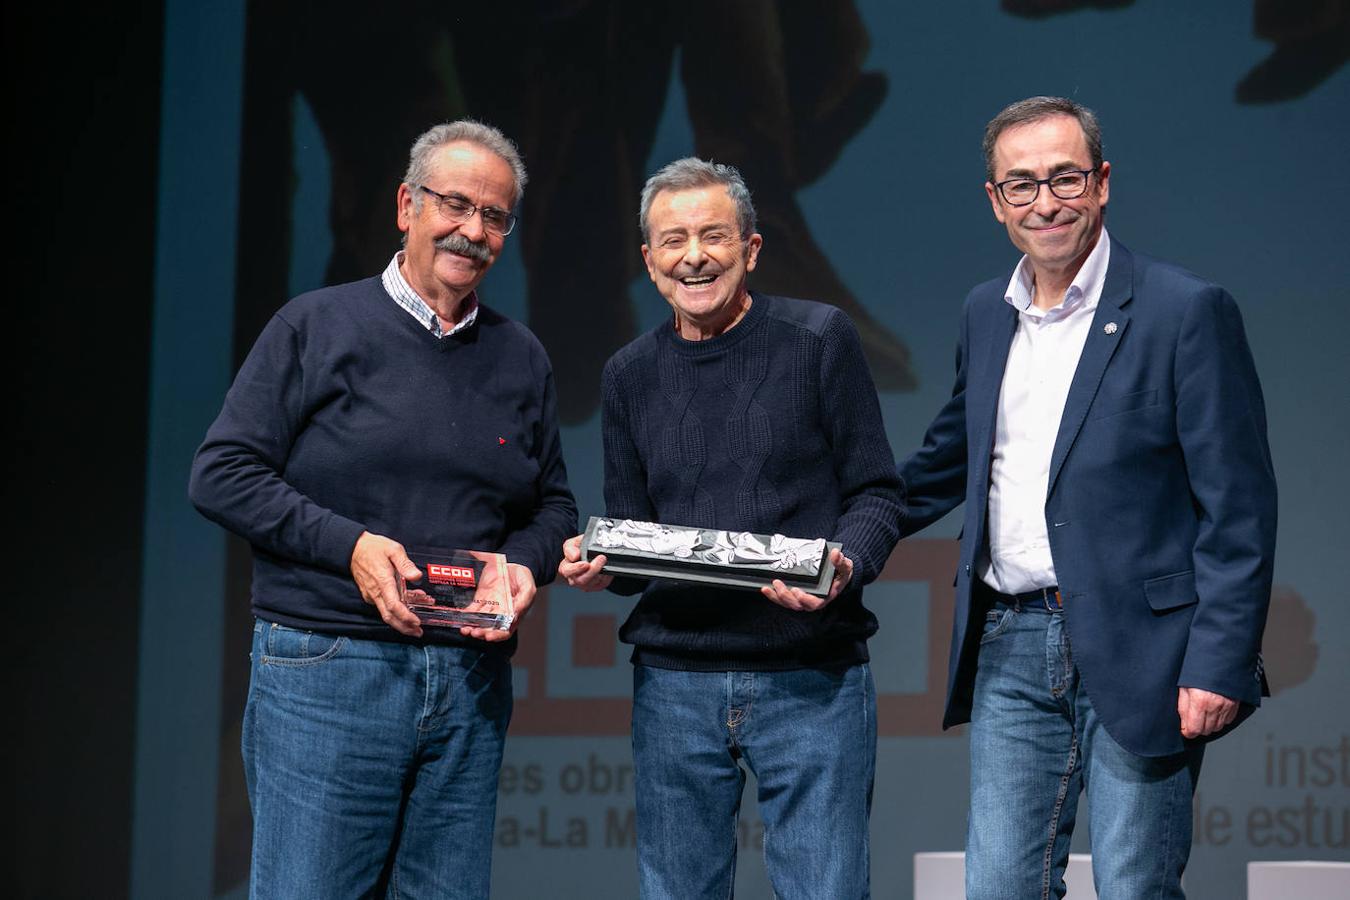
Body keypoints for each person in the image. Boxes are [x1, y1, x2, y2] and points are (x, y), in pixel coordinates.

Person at [899, 96, 1277, 898]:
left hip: (1148, 649)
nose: (1046, 202)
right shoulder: (984, 312)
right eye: (1022, 185)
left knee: (1135, 886)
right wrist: (830, 539)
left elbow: (1238, 509)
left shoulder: (1184, 310)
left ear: (1102, 183)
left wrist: (1221, 660)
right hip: (1010, 642)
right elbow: (945, 463)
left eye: (1065, 178)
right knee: (1000, 887)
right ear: (995, 201)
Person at [188, 119, 577, 899]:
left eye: (495, 216)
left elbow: (555, 507)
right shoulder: (314, 326)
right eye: (455, 205)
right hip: (329, 669)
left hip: (468, 683)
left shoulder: (520, 356)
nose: (473, 231)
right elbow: (221, 472)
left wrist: (526, 567)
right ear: (406, 204)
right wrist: (352, 547)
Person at [559, 158, 902, 899]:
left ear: (751, 248)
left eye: (714, 235)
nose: (694, 256)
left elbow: (876, 492)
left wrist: (844, 565)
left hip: (812, 675)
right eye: (672, 240)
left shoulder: (819, 339)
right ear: (648, 262)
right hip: (674, 682)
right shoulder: (626, 374)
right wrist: (600, 562)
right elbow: (634, 539)